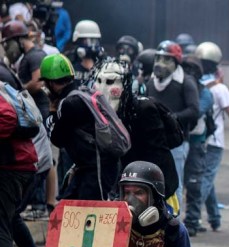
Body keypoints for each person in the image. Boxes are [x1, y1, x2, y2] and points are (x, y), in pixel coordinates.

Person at [94, 60, 179, 203]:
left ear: (125, 84)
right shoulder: (105, 114)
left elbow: (157, 154)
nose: (104, 88)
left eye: (110, 82)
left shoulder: (143, 109)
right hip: (128, 187)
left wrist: (155, 192)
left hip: (156, 187)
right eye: (99, 81)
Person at [41, 53, 120, 201]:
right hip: (90, 168)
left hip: (96, 170)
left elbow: (57, 139)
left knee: (91, 216)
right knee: (69, 206)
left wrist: (51, 111)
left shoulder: (69, 103)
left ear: (51, 84)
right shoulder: (81, 92)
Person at [146, 40, 200, 211]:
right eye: (158, 58)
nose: (160, 64)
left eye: (166, 59)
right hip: (154, 143)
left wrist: (170, 118)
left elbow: (193, 110)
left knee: (174, 184)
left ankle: (175, 224)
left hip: (177, 143)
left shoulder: (186, 82)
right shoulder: (150, 82)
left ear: (176, 62)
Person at [0, 83, 38, 247]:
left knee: (1, 226)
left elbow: (7, 117)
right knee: (10, 219)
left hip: (12, 167)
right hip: (19, 165)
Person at [196, 41, 229, 232]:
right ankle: (194, 217)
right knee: (207, 178)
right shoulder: (220, 89)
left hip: (200, 139)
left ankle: (214, 217)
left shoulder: (194, 85)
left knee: (206, 178)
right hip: (215, 141)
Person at [181, 55, 213, 237]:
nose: (187, 73)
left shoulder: (205, 93)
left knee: (194, 183)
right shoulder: (178, 87)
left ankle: (192, 221)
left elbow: (195, 112)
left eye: (191, 70)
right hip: (179, 141)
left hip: (195, 142)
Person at [1, 20, 49, 119]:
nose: (8, 49)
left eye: (9, 44)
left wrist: (17, 92)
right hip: (34, 109)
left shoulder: (35, 55)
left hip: (39, 109)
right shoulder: (28, 56)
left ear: (18, 40)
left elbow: (37, 83)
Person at [68, 20, 104, 85]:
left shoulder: (103, 64)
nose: (92, 45)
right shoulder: (69, 61)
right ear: (78, 41)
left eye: (94, 41)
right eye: (86, 41)